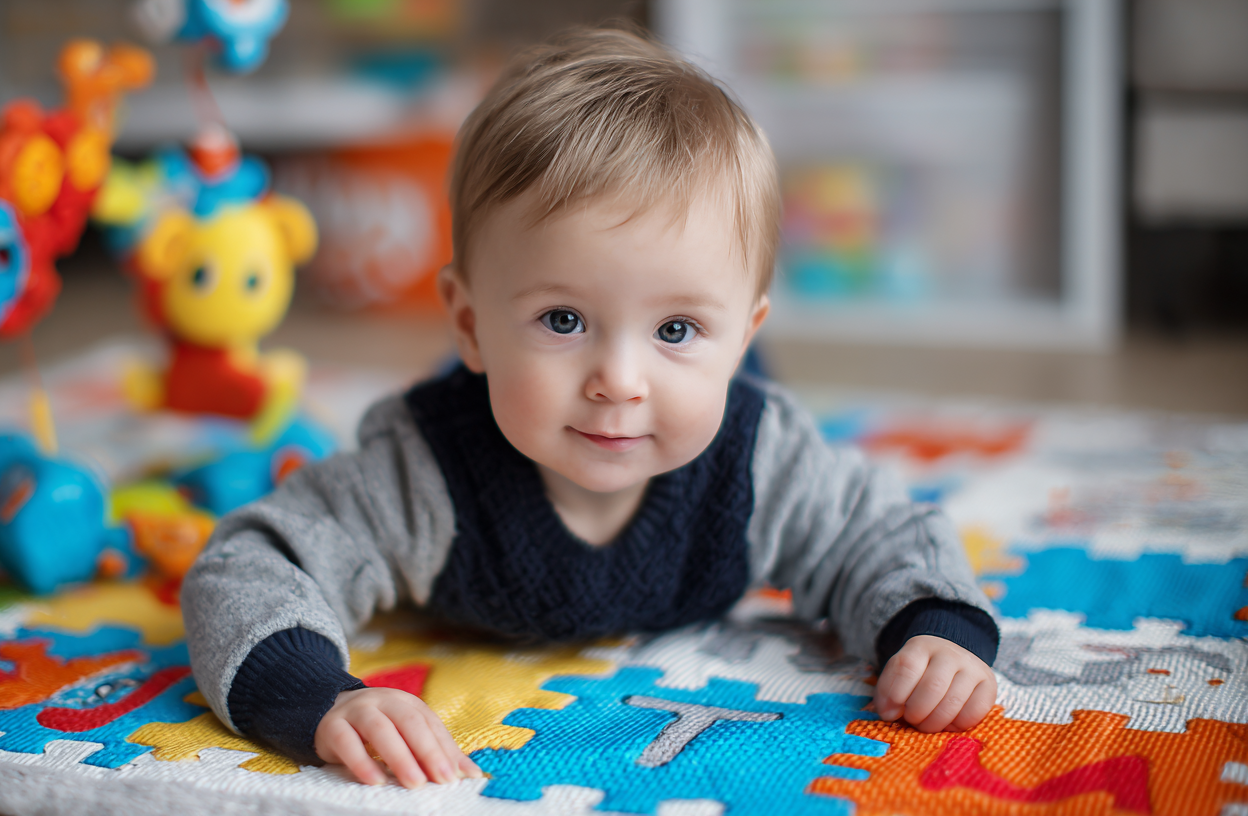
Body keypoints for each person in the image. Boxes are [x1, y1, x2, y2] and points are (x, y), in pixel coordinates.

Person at [181, 25, 999, 790]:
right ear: (467, 321)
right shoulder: (419, 472)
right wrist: (320, 697)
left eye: (675, 327)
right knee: (522, 383)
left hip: (710, 390)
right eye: (564, 319)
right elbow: (246, 566)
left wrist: (932, 632)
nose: (619, 379)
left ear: (743, 334)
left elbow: (886, 532)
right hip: (487, 399)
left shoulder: (763, 461)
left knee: (705, 390)